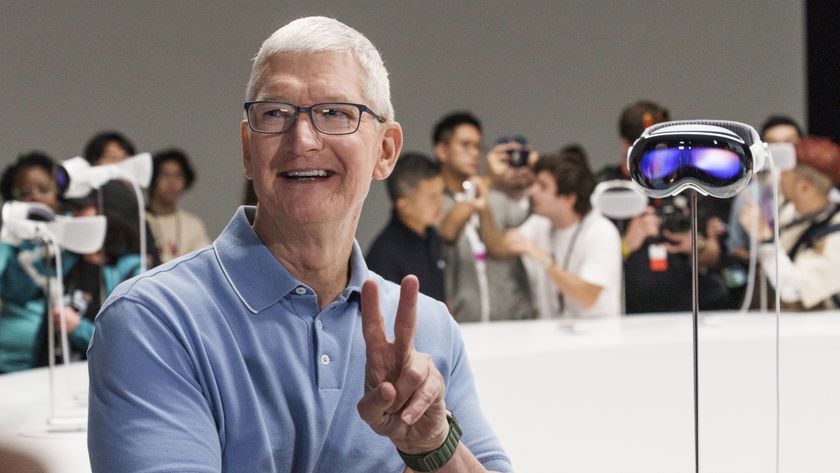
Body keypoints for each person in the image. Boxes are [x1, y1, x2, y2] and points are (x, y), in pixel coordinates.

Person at [87, 16, 511, 473]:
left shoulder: (427, 329)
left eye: (334, 113)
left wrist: (432, 446)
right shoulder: (157, 320)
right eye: (275, 114)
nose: (302, 139)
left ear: (385, 151)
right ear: (249, 150)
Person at [506, 147, 622, 318]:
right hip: (554, 336)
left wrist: (543, 259)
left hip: (596, 338)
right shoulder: (541, 223)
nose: (533, 191)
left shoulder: (600, 231)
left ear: (569, 199)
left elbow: (587, 297)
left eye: (543, 187)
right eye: (535, 183)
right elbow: (506, 244)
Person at [740, 136, 840, 310]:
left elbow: (794, 290)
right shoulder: (792, 211)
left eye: (784, 173)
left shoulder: (835, 238)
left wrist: (765, 238)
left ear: (804, 188)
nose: (779, 178)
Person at [432, 112, 508, 322]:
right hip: (458, 324)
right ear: (442, 151)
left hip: (502, 324)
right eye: (466, 145)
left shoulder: (489, 196)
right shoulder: (433, 199)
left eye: (478, 146)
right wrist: (489, 180)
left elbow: (498, 249)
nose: (475, 153)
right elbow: (448, 230)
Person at [0, 152, 71, 373]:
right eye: (24, 193)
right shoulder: (7, 240)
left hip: (66, 354)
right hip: (10, 358)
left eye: (43, 189)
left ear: (58, 192)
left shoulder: (73, 233)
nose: (35, 198)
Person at [367, 152, 446, 302]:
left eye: (441, 193)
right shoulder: (383, 256)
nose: (441, 202)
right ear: (404, 205)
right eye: (432, 197)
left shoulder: (431, 235)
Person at [481, 136, 536, 320]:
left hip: (536, 309)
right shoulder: (486, 198)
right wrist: (490, 177)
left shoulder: (540, 197)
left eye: (522, 157)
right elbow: (500, 248)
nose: (516, 165)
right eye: (507, 159)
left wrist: (538, 170)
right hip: (498, 311)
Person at [146, 148, 210, 263]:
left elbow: (203, 263)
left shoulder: (193, 224)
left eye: (178, 175)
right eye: (165, 175)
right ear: (152, 178)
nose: (172, 182)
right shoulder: (136, 220)